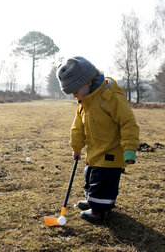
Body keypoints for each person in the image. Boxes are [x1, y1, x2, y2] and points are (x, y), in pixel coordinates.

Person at [56, 56, 140, 221]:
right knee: (91, 178)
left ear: (87, 82)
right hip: (94, 152)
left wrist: (130, 148)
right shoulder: (84, 102)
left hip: (111, 153)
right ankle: (93, 201)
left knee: (103, 183)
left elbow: (128, 123)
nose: (74, 96)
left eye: (75, 91)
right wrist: (76, 147)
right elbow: (77, 127)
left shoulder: (111, 97)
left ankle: (99, 211)